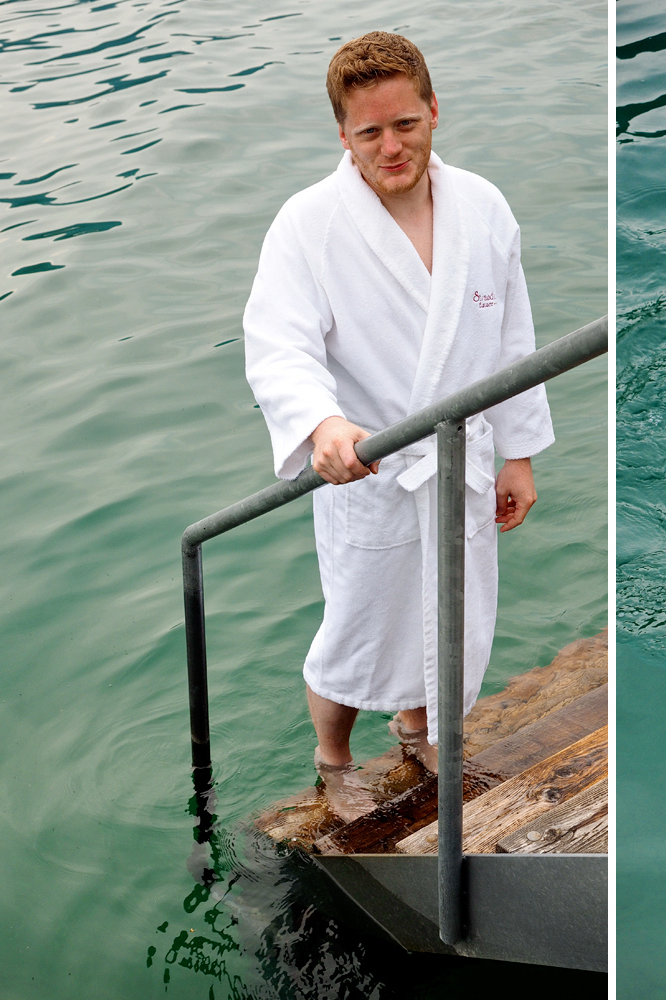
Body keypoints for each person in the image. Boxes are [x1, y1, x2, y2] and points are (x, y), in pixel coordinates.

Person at [243, 32, 554, 817]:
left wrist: (517, 452)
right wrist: (323, 425)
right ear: (342, 135)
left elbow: (513, 337)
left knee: (452, 612)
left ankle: (421, 732)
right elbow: (279, 343)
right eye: (370, 132)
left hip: (463, 462)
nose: (391, 147)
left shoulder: (483, 207)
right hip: (372, 465)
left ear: (434, 111)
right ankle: (335, 757)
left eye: (405, 125)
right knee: (359, 627)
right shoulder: (307, 225)